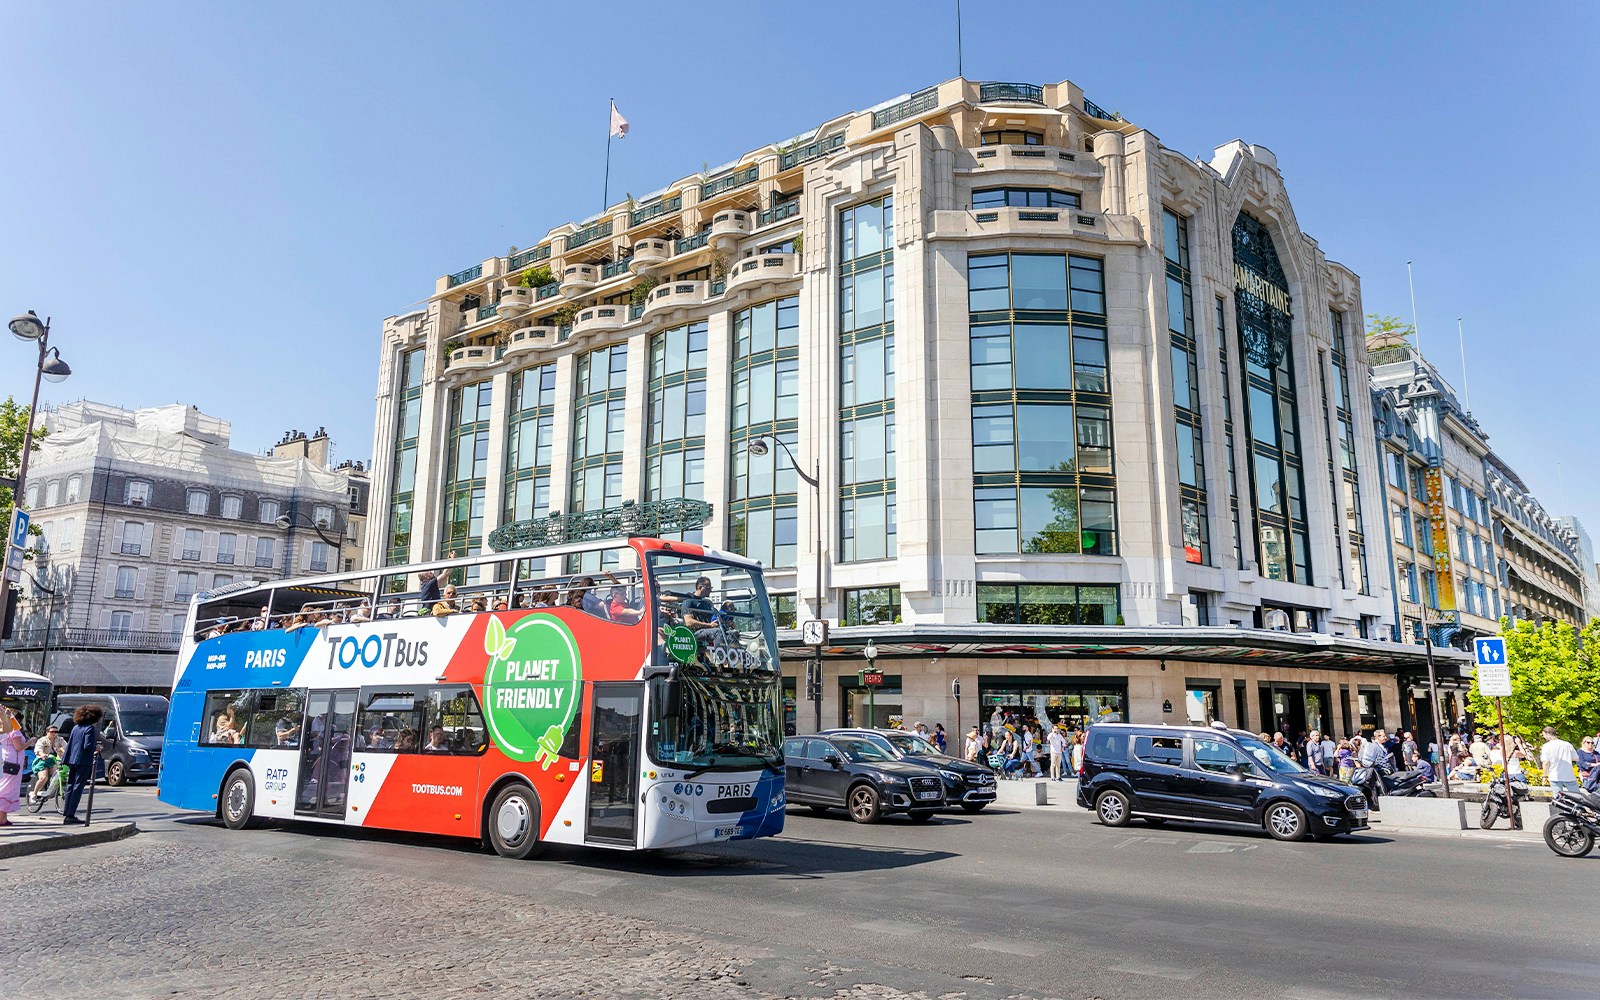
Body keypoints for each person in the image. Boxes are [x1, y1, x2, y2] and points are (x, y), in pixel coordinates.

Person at [62, 704, 103, 825]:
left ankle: (66, 811)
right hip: (83, 761)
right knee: (78, 787)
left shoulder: (76, 727)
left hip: (72, 760)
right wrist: (97, 747)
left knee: (70, 786)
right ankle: (70, 814)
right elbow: (87, 746)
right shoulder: (89, 729)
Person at [0, 706, 27, 826]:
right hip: (11, 760)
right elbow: (19, 746)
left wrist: (5, 715)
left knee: (6, 788)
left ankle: (3, 818)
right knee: (7, 789)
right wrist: (31, 741)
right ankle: (2, 818)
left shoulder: (8, 728)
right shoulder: (14, 731)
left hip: (5, 759)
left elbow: (7, 728)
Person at [30, 723, 67, 802]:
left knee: (58, 774)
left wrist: (63, 750)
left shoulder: (60, 739)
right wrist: (42, 754)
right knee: (44, 777)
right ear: (47, 732)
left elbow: (66, 747)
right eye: (52, 732)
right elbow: (38, 749)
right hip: (42, 761)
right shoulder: (42, 740)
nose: (54, 733)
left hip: (54, 761)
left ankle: (51, 790)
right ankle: (34, 793)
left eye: (56, 732)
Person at [1540, 726, 1581, 795]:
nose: (1544, 737)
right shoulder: (1567, 744)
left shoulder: (1546, 746)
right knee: (1577, 796)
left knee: (1558, 797)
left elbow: (1546, 763)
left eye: (1544, 735)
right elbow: (1576, 758)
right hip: (1569, 775)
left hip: (1555, 775)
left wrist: (1544, 776)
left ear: (1548, 734)